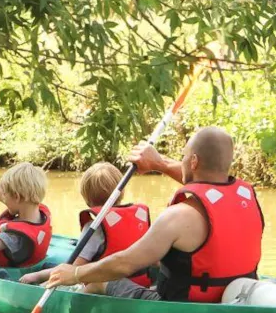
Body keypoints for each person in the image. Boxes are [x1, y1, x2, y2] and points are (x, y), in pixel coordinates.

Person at [45, 126, 264, 302]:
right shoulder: (248, 197)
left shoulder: (177, 216)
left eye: (184, 156)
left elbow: (124, 264)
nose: (182, 161)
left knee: (98, 281)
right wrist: (158, 163)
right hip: (236, 295)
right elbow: (205, 181)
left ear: (194, 161)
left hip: (181, 305)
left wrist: (74, 274)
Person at [18, 162, 151, 286]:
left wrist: (36, 276)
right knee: (49, 265)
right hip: (138, 283)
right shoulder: (138, 218)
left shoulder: (95, 227)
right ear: (121, 192)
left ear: (87, 199)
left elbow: (74, 269)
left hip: (104, 288)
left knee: (44, 272)